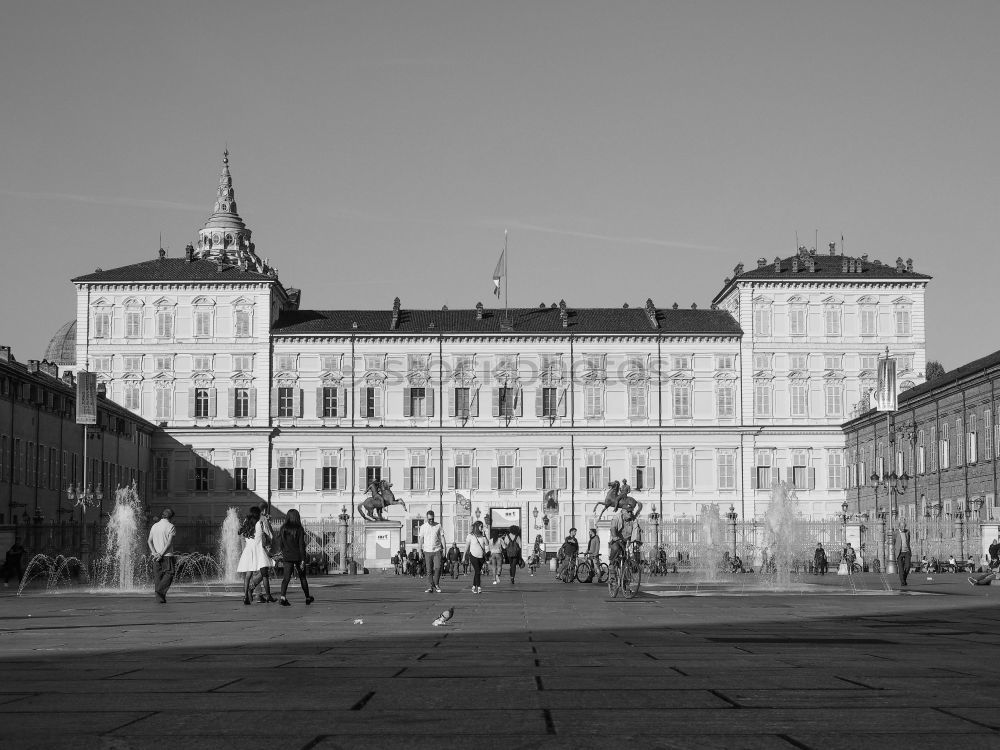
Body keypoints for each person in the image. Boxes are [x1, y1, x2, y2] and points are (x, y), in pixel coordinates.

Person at [237, 506, 274, 604]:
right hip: (258, 551)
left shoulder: (246, 523)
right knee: (264, 574)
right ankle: (268, 596)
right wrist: (267, 523)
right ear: (258, 514)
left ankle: (245, 597)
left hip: (248, 551)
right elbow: (270, 535)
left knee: (248, 576)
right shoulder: (261, 523)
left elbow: (242, 536)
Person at [276, 509, 313, 606]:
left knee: (286, 578)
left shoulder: (283, 528)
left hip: (287, 556)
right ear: (297, 517)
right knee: (302, 578)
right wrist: (303, 560)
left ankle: (283, 597)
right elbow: (301, 545)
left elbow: (281, 543)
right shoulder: (299, 529)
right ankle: (307, 597)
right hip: (298, 556)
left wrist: (283, 553)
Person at [146, 508, 176, 604]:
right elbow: (169, 543)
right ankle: (159, 591)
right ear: (171, 517)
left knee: (158, 577)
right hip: (167, 555)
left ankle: (160, 599)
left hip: (155, 556)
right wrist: (161, 554)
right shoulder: (171, 526)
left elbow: (149, 541)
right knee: (170, 573)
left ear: (163, 515)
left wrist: (155, 553)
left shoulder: (154, 526)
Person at [418, 510, 446, 593]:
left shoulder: (438, 525)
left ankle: (436, 584)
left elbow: (442, 538)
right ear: (427, 518)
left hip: (437, 550)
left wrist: (445, 549)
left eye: (432, 519)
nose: (431, 520)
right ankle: (430, 586)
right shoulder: (423, 527)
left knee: (438, 568)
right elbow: (421, 539)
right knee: (429, 570)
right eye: (429, 519)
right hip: (427, 551)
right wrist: (420, 551)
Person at [256, 502, 277, 601]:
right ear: (264, 510)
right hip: (264, 547)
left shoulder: (252, 518)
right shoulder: (263, 519)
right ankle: (253, 587)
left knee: (259, 570)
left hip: (254, 548)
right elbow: (269, 534)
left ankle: (259, 594)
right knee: (265, 571)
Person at [464, 520, 489, 593]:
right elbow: (466, 546)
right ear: (477, 527)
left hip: (481, 557)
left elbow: (487, 544)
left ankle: (474, 586)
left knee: (477, 572)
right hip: (473, 556)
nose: (482, 528)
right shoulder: (470, 536)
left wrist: (484, 535)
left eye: (482, 526)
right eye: (481, 526)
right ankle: (479, 587)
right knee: (478, 571)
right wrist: (464, 556)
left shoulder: (482, 535)